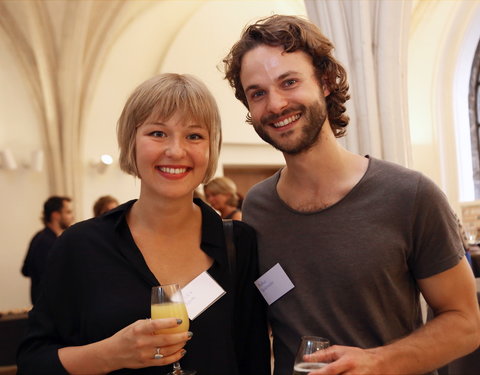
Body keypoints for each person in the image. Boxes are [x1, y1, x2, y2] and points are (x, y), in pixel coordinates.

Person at [223, 14, 480, 375]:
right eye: (258, 93)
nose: (276, 105)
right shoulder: (257, 205)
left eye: (289, 82)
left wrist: (377, 361)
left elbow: (466, 323)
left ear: (325, 82)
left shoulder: (410, 196)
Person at [17, 73, 270, 375]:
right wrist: (110, 354)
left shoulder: (238, 244)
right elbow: (33, 363)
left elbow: (253, 358)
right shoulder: (80, 245)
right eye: (158, 133)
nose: (176, 151)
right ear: (130, 143)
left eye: (194, 136)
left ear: (210, 148)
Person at [21, 196, 74, 304]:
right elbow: (52, 279)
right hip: (51, 307)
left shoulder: (40, 237)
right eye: (68, 212)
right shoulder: (47, 242)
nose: (72, 217)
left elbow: (25, 270)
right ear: (56, 215)